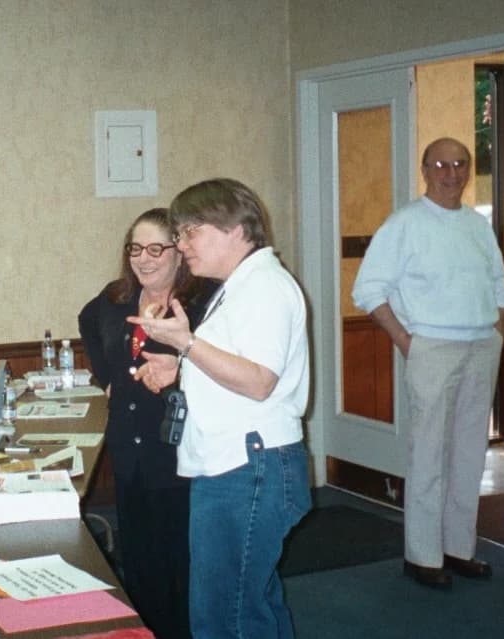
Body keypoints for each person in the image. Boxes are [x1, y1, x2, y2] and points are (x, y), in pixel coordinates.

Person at [131, 179, 311, 638]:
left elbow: (259, 381)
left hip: (248, 466)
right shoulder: (243, 286)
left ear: (234, 228)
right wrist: (181, 367)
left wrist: (187, 345)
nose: (181, 244)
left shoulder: (264, 287)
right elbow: (239, 366)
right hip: (240, 462)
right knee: (252, 604)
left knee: (225, 616)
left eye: (191, 231)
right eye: (180, 233)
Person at [352, 137, 504, 590]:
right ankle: (422, 557)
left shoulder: (477, 226)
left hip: (481, 346)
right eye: (441, 165)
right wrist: (405, 341)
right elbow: (368, 290)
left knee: (469, 453)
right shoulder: (405, 224)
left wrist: (497, 326)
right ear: (425, 170)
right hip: (432, 347)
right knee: (428, 454)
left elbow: (499, 282)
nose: (452, 173)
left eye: (460, 164)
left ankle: (459, 548)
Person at [78, 208, 218, 639]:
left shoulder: (201, 305)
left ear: (179, 252)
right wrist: (108, 378)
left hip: (177, 451)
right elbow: (86, 322)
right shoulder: (116, 298)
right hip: (128, 450)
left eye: (156, 249)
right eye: (135, 248)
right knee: (139, 562)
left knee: (182, 562)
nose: (144, 258)